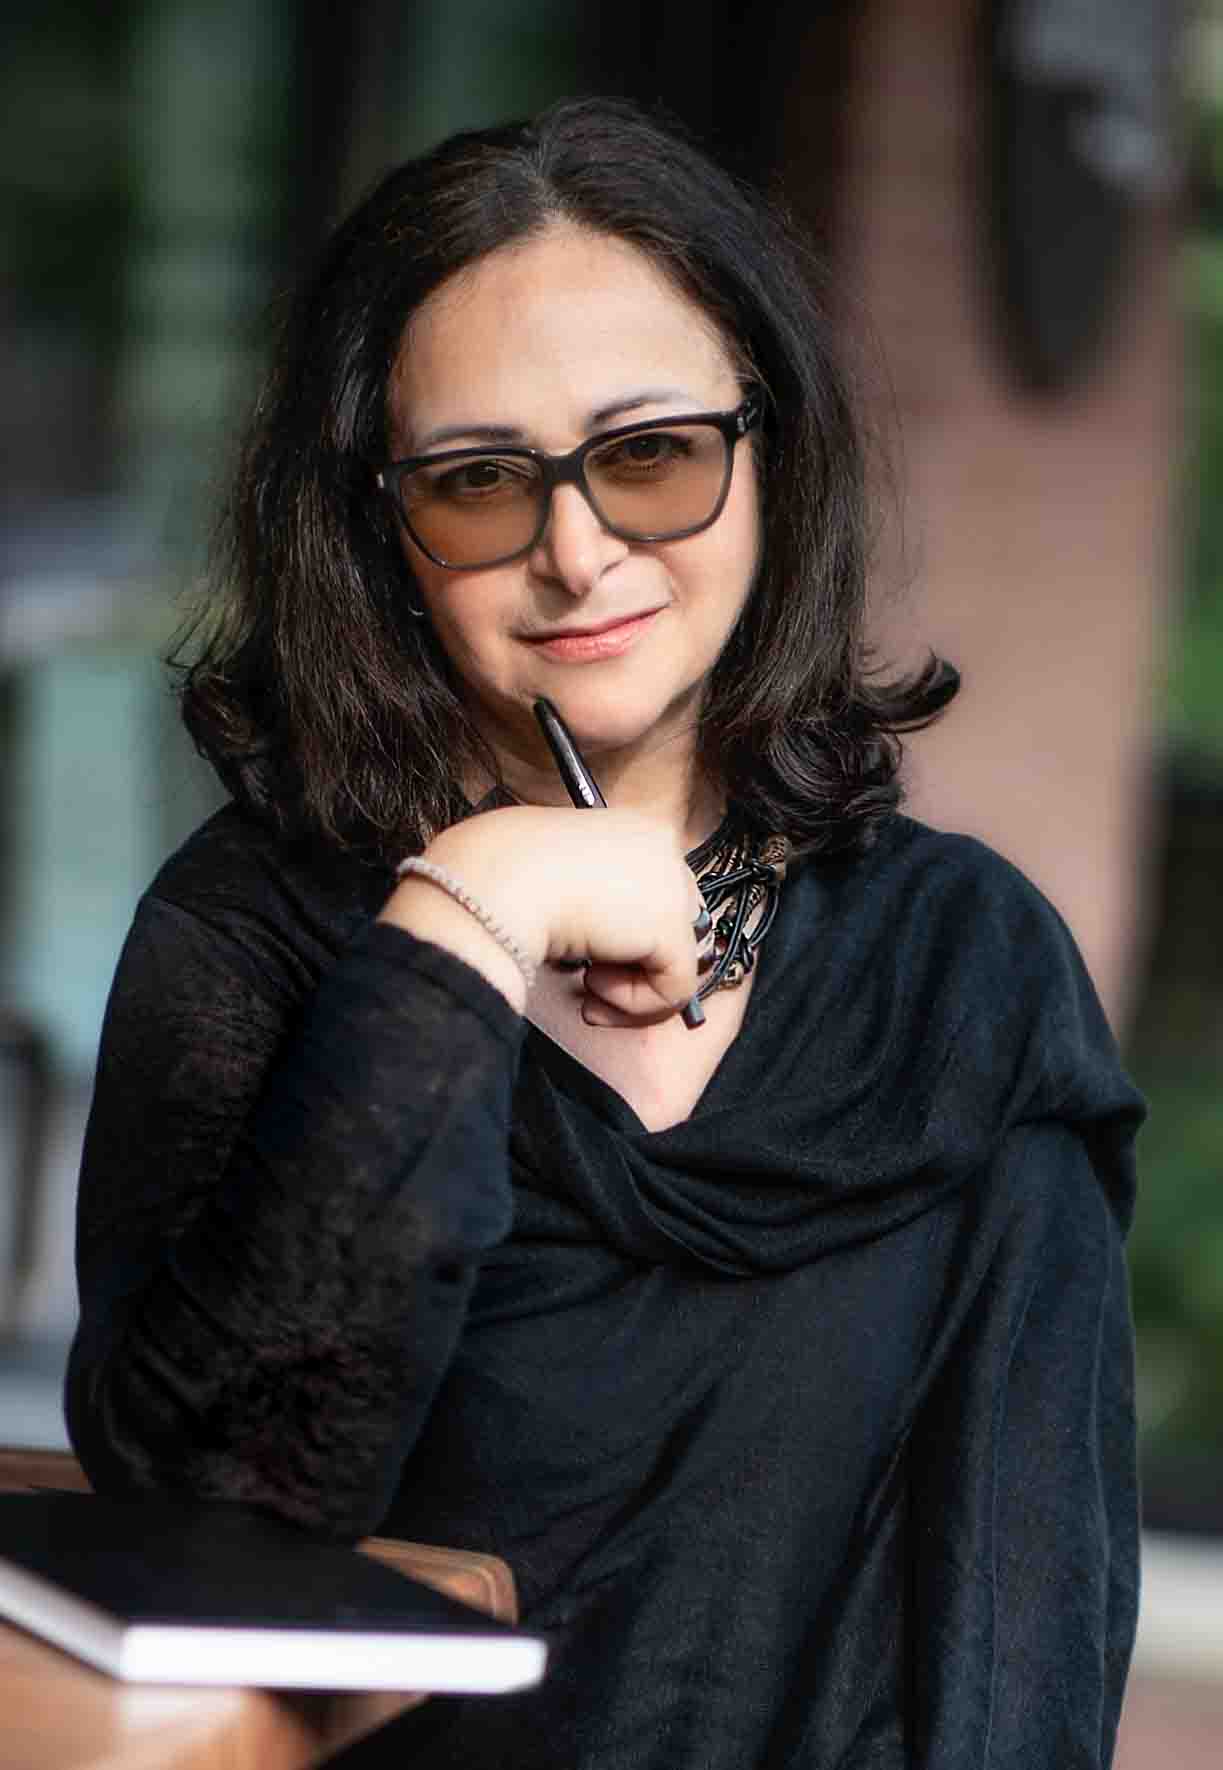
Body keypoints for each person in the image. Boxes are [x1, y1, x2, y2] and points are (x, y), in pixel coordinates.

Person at [66, 97, 1144, 1768]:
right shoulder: (253, 936)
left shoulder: (962, 973)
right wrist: (480, 906)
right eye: (478, 482)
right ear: (382, 530)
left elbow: (1027, 1633)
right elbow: (212, 1509)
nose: (577, 553)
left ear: (769, 450)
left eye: (650, 455)